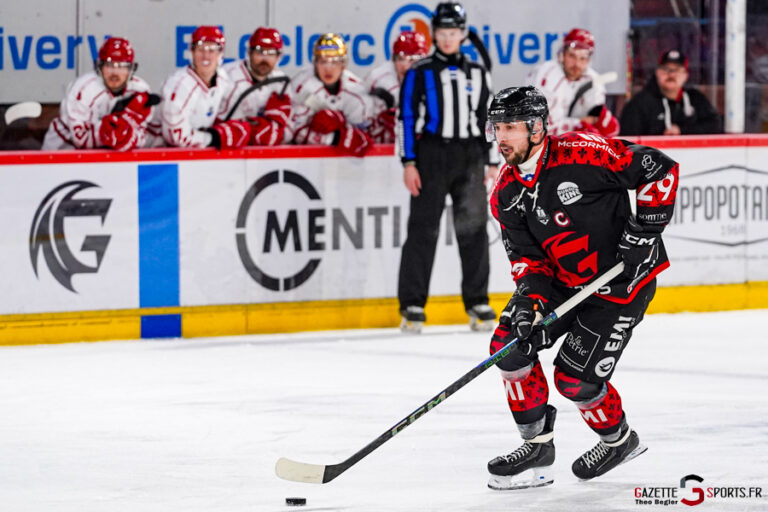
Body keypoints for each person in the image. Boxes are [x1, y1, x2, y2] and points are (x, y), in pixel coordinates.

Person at [484, 86, 678, 490]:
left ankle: (618, 441)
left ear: (537, 128)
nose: (502, 138)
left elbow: (659, 167)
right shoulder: (506, 193)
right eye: (497, 128)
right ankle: (537, 448)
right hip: (562, 282)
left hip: (621, 284)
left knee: (573, 378)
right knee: (509, 346)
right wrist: (528, 304)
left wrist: (644, 232)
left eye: (511, 128)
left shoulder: (582, 152)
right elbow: (528, 260)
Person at [397, 1, 499, 333]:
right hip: (431, 154)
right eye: (442, 32)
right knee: (423, 230)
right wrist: (409, 162)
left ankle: (477, 301)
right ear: (434, 34)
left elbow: (488, 119)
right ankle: (413, 305)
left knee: (473, 230)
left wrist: (492, 160)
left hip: (469, 155)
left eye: (453, 32)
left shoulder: (477, 71)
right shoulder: (419, 71)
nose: (447, 39)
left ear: (463, 34)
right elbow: (407, 118)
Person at [42, 37, 159, 151]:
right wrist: (109, 129)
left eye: (122, 66)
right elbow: (80, 139)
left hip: (109, 157)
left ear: (131, 69)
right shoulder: (83, 90)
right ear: (99, 67)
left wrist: (128, 133)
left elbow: (141, 137)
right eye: (109, 65)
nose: (115, 73)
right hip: (62, 152)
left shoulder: (140, 90)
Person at [156, 26, 250, 149]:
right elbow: (175, 138)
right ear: (192, 52)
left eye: (212, 50)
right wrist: (214, 137)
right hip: (158, 151)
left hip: (195, 153)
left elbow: (224, 115)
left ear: (221, 53)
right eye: (200, 49)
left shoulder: (222, 78)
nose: (206, 56)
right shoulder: (179, 85)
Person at [289, 33, 377, 156]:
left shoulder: (357, 91)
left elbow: (366, 134)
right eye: (323, 62)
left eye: (334, 62)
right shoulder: (301, 87)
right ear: (315, 63)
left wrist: (345, 131)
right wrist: (336, 138)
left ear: (343, 64)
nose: (328, 69)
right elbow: (294, 131)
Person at [526, 28, 620, 137]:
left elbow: (593, 120)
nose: (577, 64)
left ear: (589, 60)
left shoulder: (594, 80)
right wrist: (577, 125)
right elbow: (539, 127)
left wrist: (602, 122)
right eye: (572, 56)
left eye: (583, 58)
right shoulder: (546, 75)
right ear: (563, 55)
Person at [619, 50, 722, 135]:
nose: (671, 75)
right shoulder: (639, 103)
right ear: (657, 72)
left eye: (676, 70)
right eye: (666, 69)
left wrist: (681, 131)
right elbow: (628, 140)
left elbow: (715, 125)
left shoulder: (696, 98)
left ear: (686, 75)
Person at [220, 27, 292, 146]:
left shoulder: (282, 83)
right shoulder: (227, 76)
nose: (265, 59)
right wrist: (254, 130)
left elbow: (291, 130)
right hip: (227, 151)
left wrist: (275, 131)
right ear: (249, 53)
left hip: (264, 156)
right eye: (260, 51)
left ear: (278, 57)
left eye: (271, 53)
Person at [364, 31, 429, 143]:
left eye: (412, 59)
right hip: (383, 150)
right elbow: (361, 121)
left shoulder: (434, 79)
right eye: (400, 59)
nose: (406, 66)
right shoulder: (378, 79)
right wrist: (379, 121)